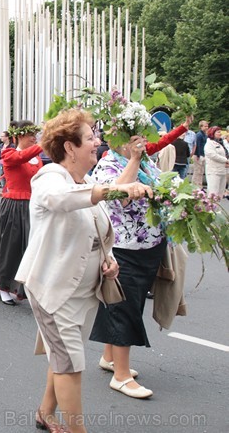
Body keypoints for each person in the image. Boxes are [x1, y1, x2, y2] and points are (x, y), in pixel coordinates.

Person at [15, 109, 151, 433]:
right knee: (71, 364)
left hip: (83, 291)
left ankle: (46, 413)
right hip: (54, 288)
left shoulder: (86, 180)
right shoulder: (50, 178)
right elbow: (64, 200)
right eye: (90, 137)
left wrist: (109, 258)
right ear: (70, 147)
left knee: (63, 356)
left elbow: (96, 228)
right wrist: (116, 191)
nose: (98, 142)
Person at [89, 133, 170, 400]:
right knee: (125, 307)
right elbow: (113, 195)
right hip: (125, 247)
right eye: (134, 137)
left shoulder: (147, 162)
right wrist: (134, 160)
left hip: (149, 245)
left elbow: (162, 184)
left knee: (127, 303)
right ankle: (121, 376)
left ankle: (109, 357)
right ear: (118, 139)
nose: (141, 142)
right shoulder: (108, 164)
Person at [0, 120, 42, 305]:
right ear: (18, 136)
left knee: (29, 249)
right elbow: (21, 158)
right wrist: (44, 142)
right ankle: (4, 287)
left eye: (35, 134)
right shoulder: (9, 153)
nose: (34, 138)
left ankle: (21, 287)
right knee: (10, 249)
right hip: (13, 207)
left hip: (33, 206)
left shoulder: (36, 157)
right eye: (30, 134)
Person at [204, 126, 229, 198]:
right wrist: (226, 160)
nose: (220, 133)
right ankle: (211, 208)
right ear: (212, 133)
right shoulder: (209, 143)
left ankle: (217, 208)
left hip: (223, 171)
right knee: (213, 193)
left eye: (220, 132)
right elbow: (213, 155)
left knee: (220, 195)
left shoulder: (221, 143)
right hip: (213, 171)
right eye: (218, 132)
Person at [191, 120, 209, 186]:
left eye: (207, 126)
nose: (207, 127)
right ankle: (195, 185)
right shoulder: (199, 135)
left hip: (203, 154)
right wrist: (198, 155)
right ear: (201, 127)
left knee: (201, 171)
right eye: (205, 126)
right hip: (198, 155)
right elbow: (197, 145)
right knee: (197, 171)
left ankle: (199, 185)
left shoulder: (205, 135)